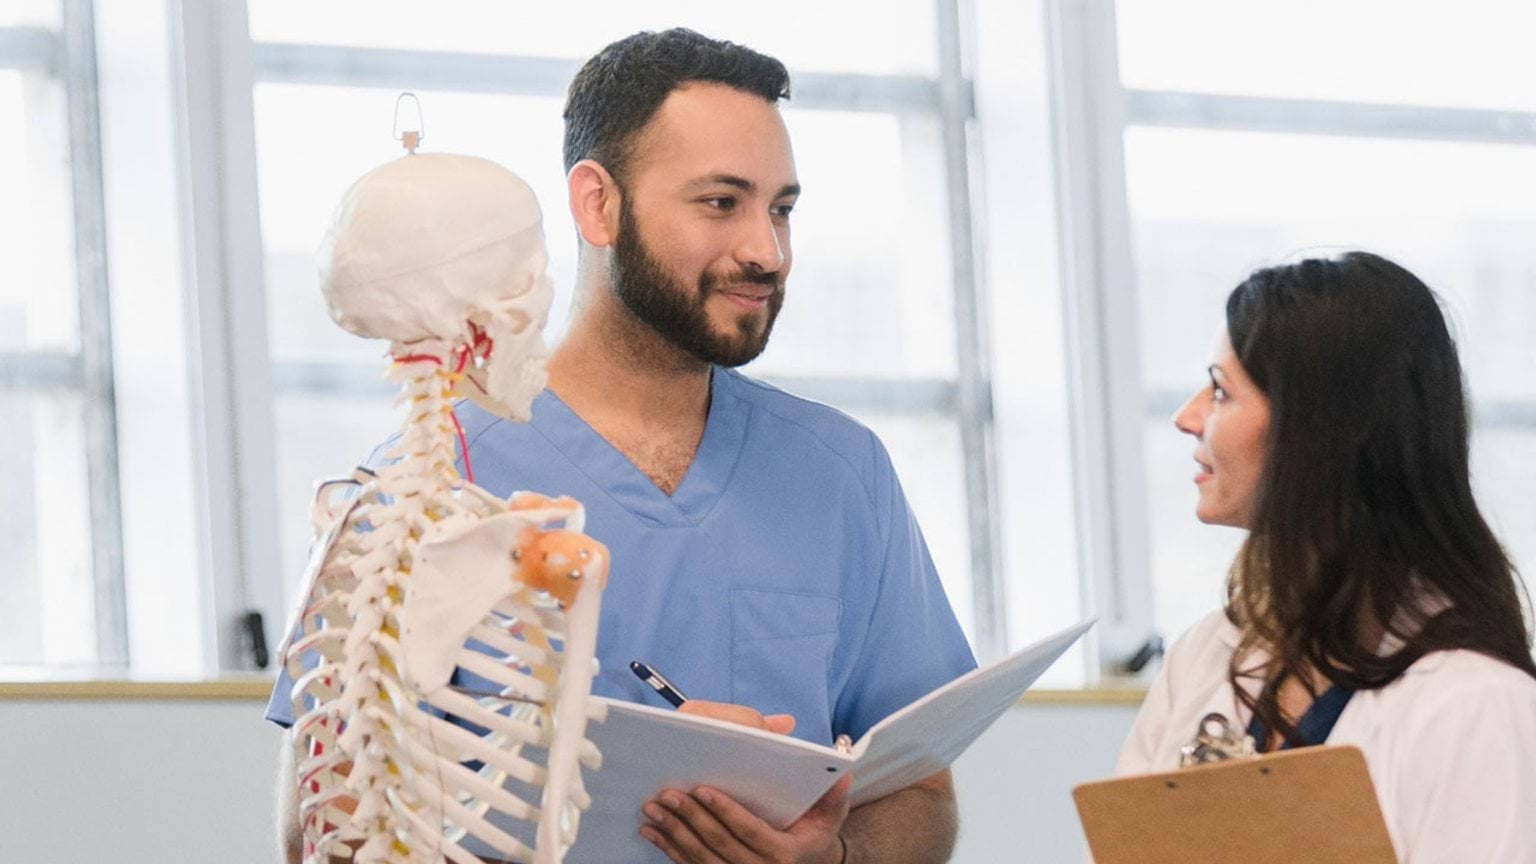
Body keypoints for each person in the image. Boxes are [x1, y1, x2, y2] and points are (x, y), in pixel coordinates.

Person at [270, 28, 975, 864]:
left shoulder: (840, 473)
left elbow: (923, 795)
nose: (766, 250)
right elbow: (319, 831)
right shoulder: (426, 483)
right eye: (721, 202)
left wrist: (837, 858)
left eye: (781, 208)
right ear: (597, 204)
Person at [1116, 251, 1536, 861]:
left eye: (1220, 391)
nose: (1188, 417)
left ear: (1315, 431)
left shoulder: (1477, 703)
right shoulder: (1205, 656)